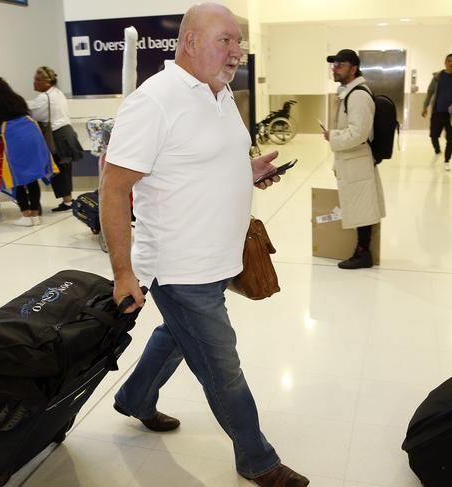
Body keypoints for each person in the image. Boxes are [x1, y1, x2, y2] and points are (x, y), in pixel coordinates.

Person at [99, 4, 309, 486]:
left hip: (220, 257)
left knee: (176, 335)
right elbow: (112, 188)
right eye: (226, 41)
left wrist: (248, 172)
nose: (237, 52)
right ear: (190, 42)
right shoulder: (154, 101)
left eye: (239, 42)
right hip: (180, 266)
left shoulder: (219, 93)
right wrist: (124, 274)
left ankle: (135, 398)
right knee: (222, 364)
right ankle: (257, 459)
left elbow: (205, 160)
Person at [322, 49, 386, 270]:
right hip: (351, 159)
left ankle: (363, 253)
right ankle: (362, 251)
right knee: (359, 205)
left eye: (340, 65)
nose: (335, 69)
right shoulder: (348, 93)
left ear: (353, 68)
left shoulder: (358, 95)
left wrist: (333, 136)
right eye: (333, 65)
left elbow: (358, 133)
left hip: (357, 159)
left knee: (362, 207)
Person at [0, 77, 56, 226]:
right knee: (33, 176)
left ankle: (26, 215)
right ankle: (35, 215)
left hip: (13, 135)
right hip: (32, 130)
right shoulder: (16, 98)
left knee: (18, 177)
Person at [28, 66, 83, 212]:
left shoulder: (43, 98)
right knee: (65, 169)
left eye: (38, 80)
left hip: (57, 137)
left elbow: (33, 116)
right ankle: (68, 199)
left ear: (47, 82)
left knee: (58, 170)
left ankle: (67, 201)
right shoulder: (58, 93)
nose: (34, 82)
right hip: (68, 133)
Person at [422, 54, 452, 171]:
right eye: (449, 61)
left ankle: (447, 160)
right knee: (433, 135)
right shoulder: (438, 76)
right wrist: (425, 107)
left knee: (450, 138)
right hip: (438, 111)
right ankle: (437, 150)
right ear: (445, 62)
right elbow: (430, 92)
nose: (451, 63)